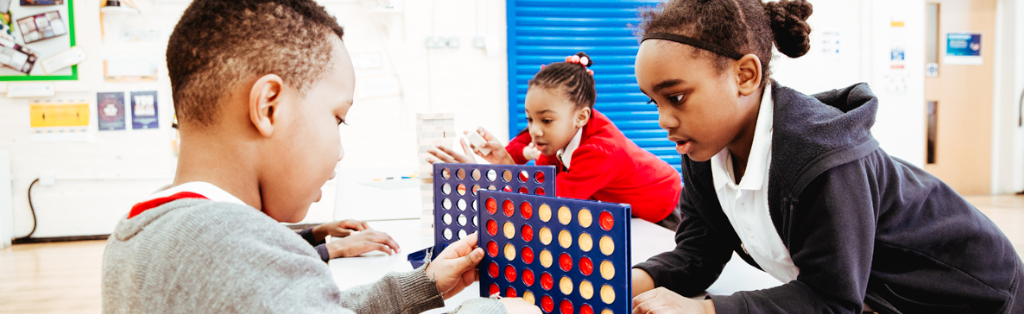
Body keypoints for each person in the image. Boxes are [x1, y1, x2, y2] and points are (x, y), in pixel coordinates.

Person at [101, 1, 538, 313]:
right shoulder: (246, 254)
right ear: (268, 107)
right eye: (338, 119)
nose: (340, 150)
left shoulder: (145, 229)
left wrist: (424, 285)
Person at [628, 0, 1024, 313]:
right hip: (871, 297)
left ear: (745, 76)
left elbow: (830, 299)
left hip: (972, 294)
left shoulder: (821, 160)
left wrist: (706, 311)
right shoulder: (704, 152)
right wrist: (631, 283)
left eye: (676, 97)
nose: (664, 119)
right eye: (654, 103)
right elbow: (699, 252)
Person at [428, 52, 685, 230]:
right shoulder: (562, 135)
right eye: (530, 119)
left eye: (546, 120)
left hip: (665, 208)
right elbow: (541, 182)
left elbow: (544, 203)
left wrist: (481, 178)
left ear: (581, 117)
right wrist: (505, 162)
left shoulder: (600, 151)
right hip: (628, 205)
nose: (535, 131)